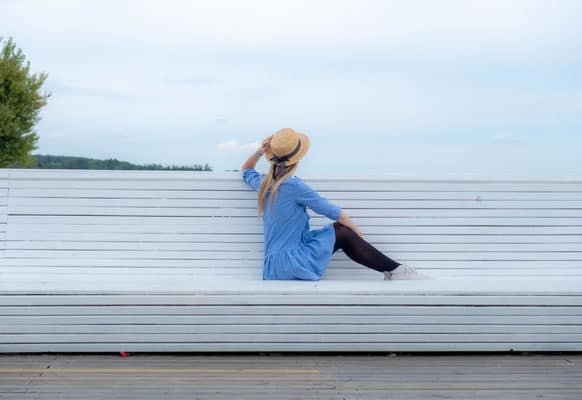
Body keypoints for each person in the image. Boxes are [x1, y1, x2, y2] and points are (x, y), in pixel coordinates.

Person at [241, 127, 428, 281]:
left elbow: (246, 170)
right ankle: (398, 271)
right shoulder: (295, 185)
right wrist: (358, 236)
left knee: (339, 231)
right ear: (296, 159)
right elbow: (336, 214)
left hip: (272, 268)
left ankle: (394, 272)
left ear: (271, 155)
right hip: (292, 263)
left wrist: (259, 151)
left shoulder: (264, 183)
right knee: (344, 232)